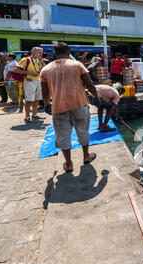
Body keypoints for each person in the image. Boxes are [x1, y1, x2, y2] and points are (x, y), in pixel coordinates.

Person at [41, 42, 99, 174]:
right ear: (68, 53)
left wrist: (46, 104)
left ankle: (68, 164)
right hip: (79, 104)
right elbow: (90, 84)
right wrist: (97, 98)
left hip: (58, 107)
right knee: (83, 131)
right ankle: (86, 156)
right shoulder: (78, 65)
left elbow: (44, 92)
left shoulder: (45, 70)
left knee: (63, 135)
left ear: (54, 54)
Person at [15, 47, 46, 123]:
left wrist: (41, 60)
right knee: (29, 100)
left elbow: (45, 68)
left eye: (41, 53)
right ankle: (27, 116)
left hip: (38, 81)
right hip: (29, 81)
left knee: (36, 100)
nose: (41, 54)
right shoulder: (25, 60)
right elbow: (16, 70)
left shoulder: (39, 61)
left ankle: (34, 115)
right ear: (34, 52)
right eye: (39, 52)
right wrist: (29, 73)